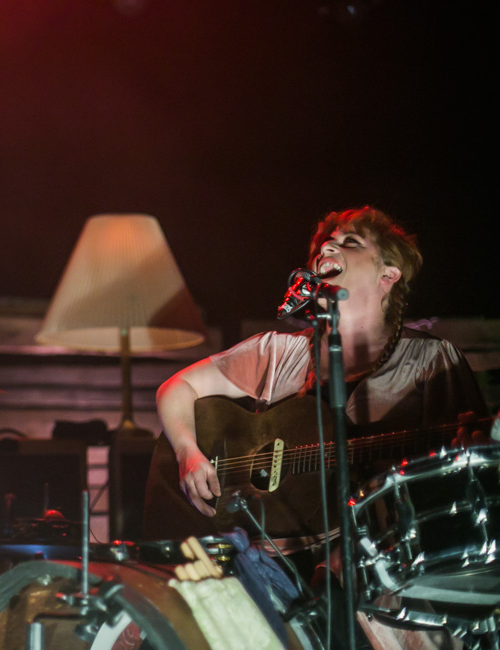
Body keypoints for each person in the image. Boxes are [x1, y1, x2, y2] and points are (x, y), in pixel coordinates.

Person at [145, 206, 490, 647]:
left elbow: (463, 483)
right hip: (267, 557)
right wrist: (188, 452)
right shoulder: (277, 352)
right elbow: (176, 387)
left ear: (389, 274)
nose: (327, 247)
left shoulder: (431, 361)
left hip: (377, 569)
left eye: (350, 242)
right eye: (324, 244)